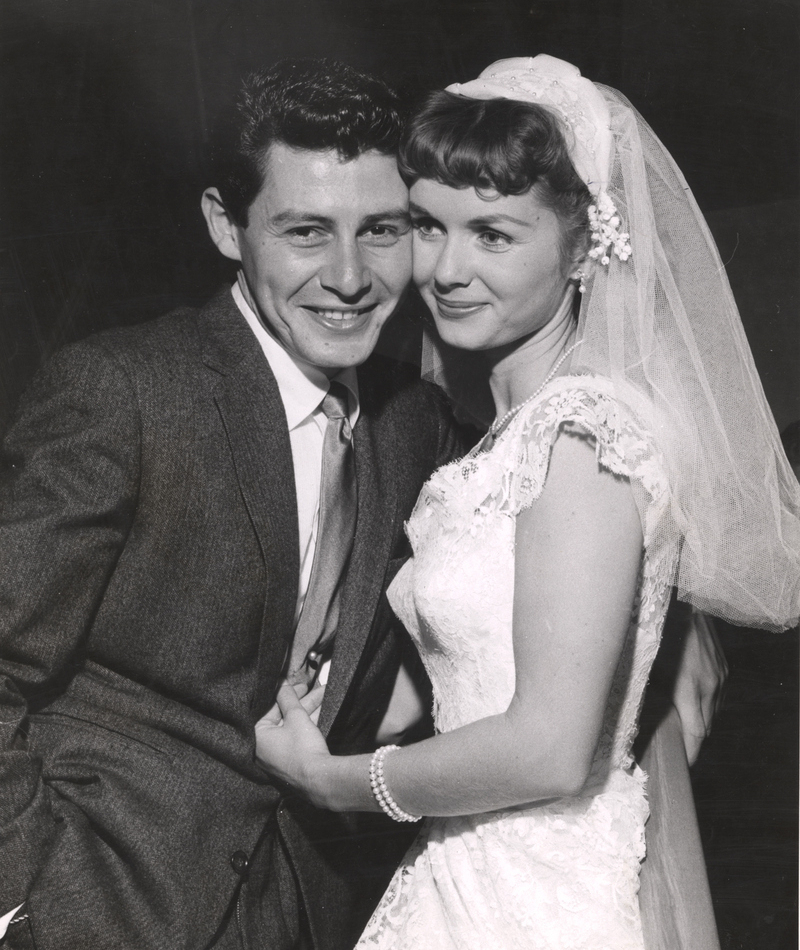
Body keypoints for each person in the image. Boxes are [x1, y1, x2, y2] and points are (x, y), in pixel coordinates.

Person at [0, 55, 725, 950]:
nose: (350, 276)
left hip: (322, 905)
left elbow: (565, 586)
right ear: (227, 227)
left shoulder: (416, 422)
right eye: (307, 231)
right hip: (101, 899)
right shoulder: (124, 393)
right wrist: (22, 901)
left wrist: (683, 628)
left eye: (385, 229)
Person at [254, 56, 800, 949]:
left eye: (495, 235)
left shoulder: (583, 437)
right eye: (429, 225)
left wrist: (340, 781)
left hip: (538, 892)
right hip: (474, 865)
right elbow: (471, 678)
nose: (448, 268)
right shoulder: (508, 434)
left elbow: (549, 747)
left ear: (585, 247)